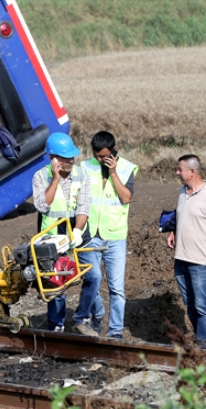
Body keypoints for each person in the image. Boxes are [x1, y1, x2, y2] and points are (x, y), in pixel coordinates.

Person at [74, 131, 138, 339]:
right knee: (92, 278)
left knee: (116, 288)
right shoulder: (85, 167)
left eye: (103, 156)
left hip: (115, 235)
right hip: (89, 234)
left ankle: (115, 331)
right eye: (97, 156)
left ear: (113, 151)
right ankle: (97, 315)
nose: (99, 160)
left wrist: (113, 173)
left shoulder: (127, 168)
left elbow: (126, 198)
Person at [32, 132, 92, 333]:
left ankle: (85, 318)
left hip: (75, 233)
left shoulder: (82, 175)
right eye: (65, 159)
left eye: (71, 157)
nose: (71, 161)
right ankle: (56, 327)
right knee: (57, 284)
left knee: (94, 276)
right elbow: (42, 205)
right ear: (53, 159)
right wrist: (56, 179)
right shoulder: (40, 177)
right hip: (52, 238)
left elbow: (83, 207)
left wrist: (76, 231)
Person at [167, 154, 206, 349]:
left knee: (203, 306)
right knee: (190, 304)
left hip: (201, 261)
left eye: (180, 169)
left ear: (192, 172)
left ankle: (205, 347)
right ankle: (200, 340)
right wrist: (173, 232)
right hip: (181, 259)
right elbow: (181, 217)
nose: (177, 172)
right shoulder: (182, 193)